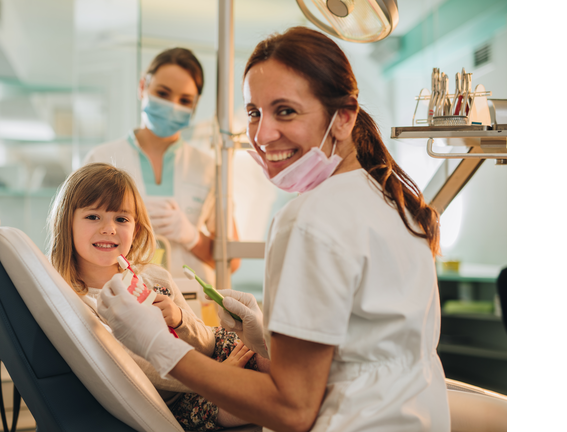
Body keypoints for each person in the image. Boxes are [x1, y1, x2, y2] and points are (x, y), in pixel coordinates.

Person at [96, 27, 452, 432]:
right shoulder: (394, 200)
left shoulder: (309, 218)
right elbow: (362, 351)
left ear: (344, 117)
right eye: (253, 112)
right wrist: (268, 342)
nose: (262, 135)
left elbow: (292, 409)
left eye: (285, 111)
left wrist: (155, 344)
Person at [46, 162, 269, 431]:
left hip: (210, 366)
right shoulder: (77, 304)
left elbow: (207, 345)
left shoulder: (155, 279)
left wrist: (179, 320)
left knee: (274, 363)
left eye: (121, 219)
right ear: (66, 223)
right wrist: (219, 379)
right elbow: (136, 373)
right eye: (93, 216)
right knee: (257, 404)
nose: (109, 229)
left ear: (136, 229)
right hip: (171, 397)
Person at [83, 47, 239, 285]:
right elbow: (77, 243)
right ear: (143, 87)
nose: (173, 105)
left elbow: (232, 261)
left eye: (185, 100)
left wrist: (192, 237)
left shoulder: (208, 168)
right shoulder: (102, 159)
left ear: (195, 107)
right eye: (163, 93)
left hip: (192, 305)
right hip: (122, 299)